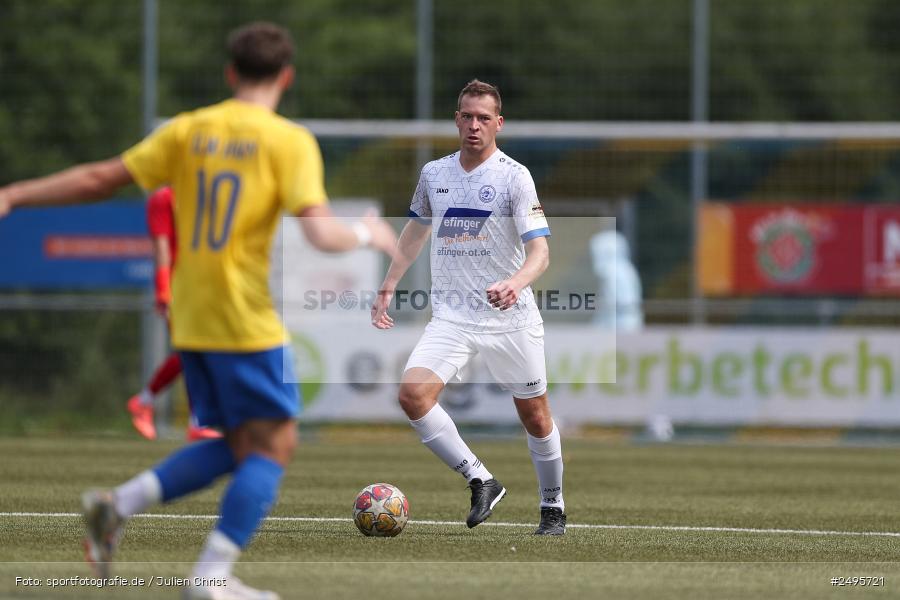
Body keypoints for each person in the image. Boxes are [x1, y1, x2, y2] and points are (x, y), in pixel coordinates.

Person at [0, 22, 397, 600]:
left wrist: (13, 195)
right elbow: (322, 234)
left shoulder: (187, 130)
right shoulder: (287, 141)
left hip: (190, 312)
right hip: (241, 313)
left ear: (231, 73)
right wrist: (367, 232)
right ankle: (211, 576)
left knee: (242, 444)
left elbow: (97, 179)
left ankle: (116, 507)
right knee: (275, 444)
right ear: (286, 76)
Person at [371, 79, 566, 535]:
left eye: (484, 118)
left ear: (499, 123)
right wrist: (389, 284)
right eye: (467, 116)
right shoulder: (434, 175)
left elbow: (540, 252)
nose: (474, 125)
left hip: (509, 318)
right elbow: (415, 232)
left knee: (535, 416)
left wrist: (516, 284)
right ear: (456, 119)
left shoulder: (514, 177)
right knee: (412, 395)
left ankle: (552, 505)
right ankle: (480, 477)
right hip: (453, 317)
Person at [127, 185, 222, 442]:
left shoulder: (201, 193)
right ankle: (195, 422)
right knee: (193, 351)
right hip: (177, 286)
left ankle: (145, 402)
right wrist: (163, 291)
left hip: (199, 285)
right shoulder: (164, 198)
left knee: (194, 352)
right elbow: (162, 248)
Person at [590, 228, 643, 331]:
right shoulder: (625, 270)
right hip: (622, 323)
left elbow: (613, 305)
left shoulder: (614, 273)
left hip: (621, 326)